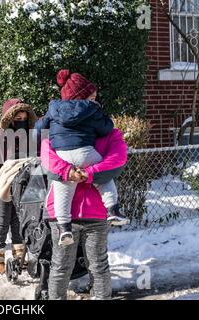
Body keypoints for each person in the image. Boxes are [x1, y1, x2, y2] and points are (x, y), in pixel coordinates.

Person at [35, 69, 128, 247]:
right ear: (83, 96)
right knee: (104, 179)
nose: (95, 100)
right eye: (92, 97)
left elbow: (38, 130)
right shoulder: (91, 109)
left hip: (61, 154)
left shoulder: (53, 110)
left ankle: (64, 227)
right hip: (84, 151)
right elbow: (106, 128)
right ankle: (113, 208)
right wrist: (99, 113)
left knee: (62, 189)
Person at [41, 127, 128, 300]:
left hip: (94, 211)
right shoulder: (58, 132)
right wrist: (69, 171)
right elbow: (47, 156)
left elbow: (118, 159)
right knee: (62, 265)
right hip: (62, 213)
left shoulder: (110, 133)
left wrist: (88, 173)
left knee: (96, 265)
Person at [0, 98, 38, 274]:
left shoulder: (31, 136)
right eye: (17, 118)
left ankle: (19, 251)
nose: (21, 121)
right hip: (2, 183)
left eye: (24, 118)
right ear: (9, 118)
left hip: (24, 184)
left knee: (18, 220)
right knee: (2, 220)